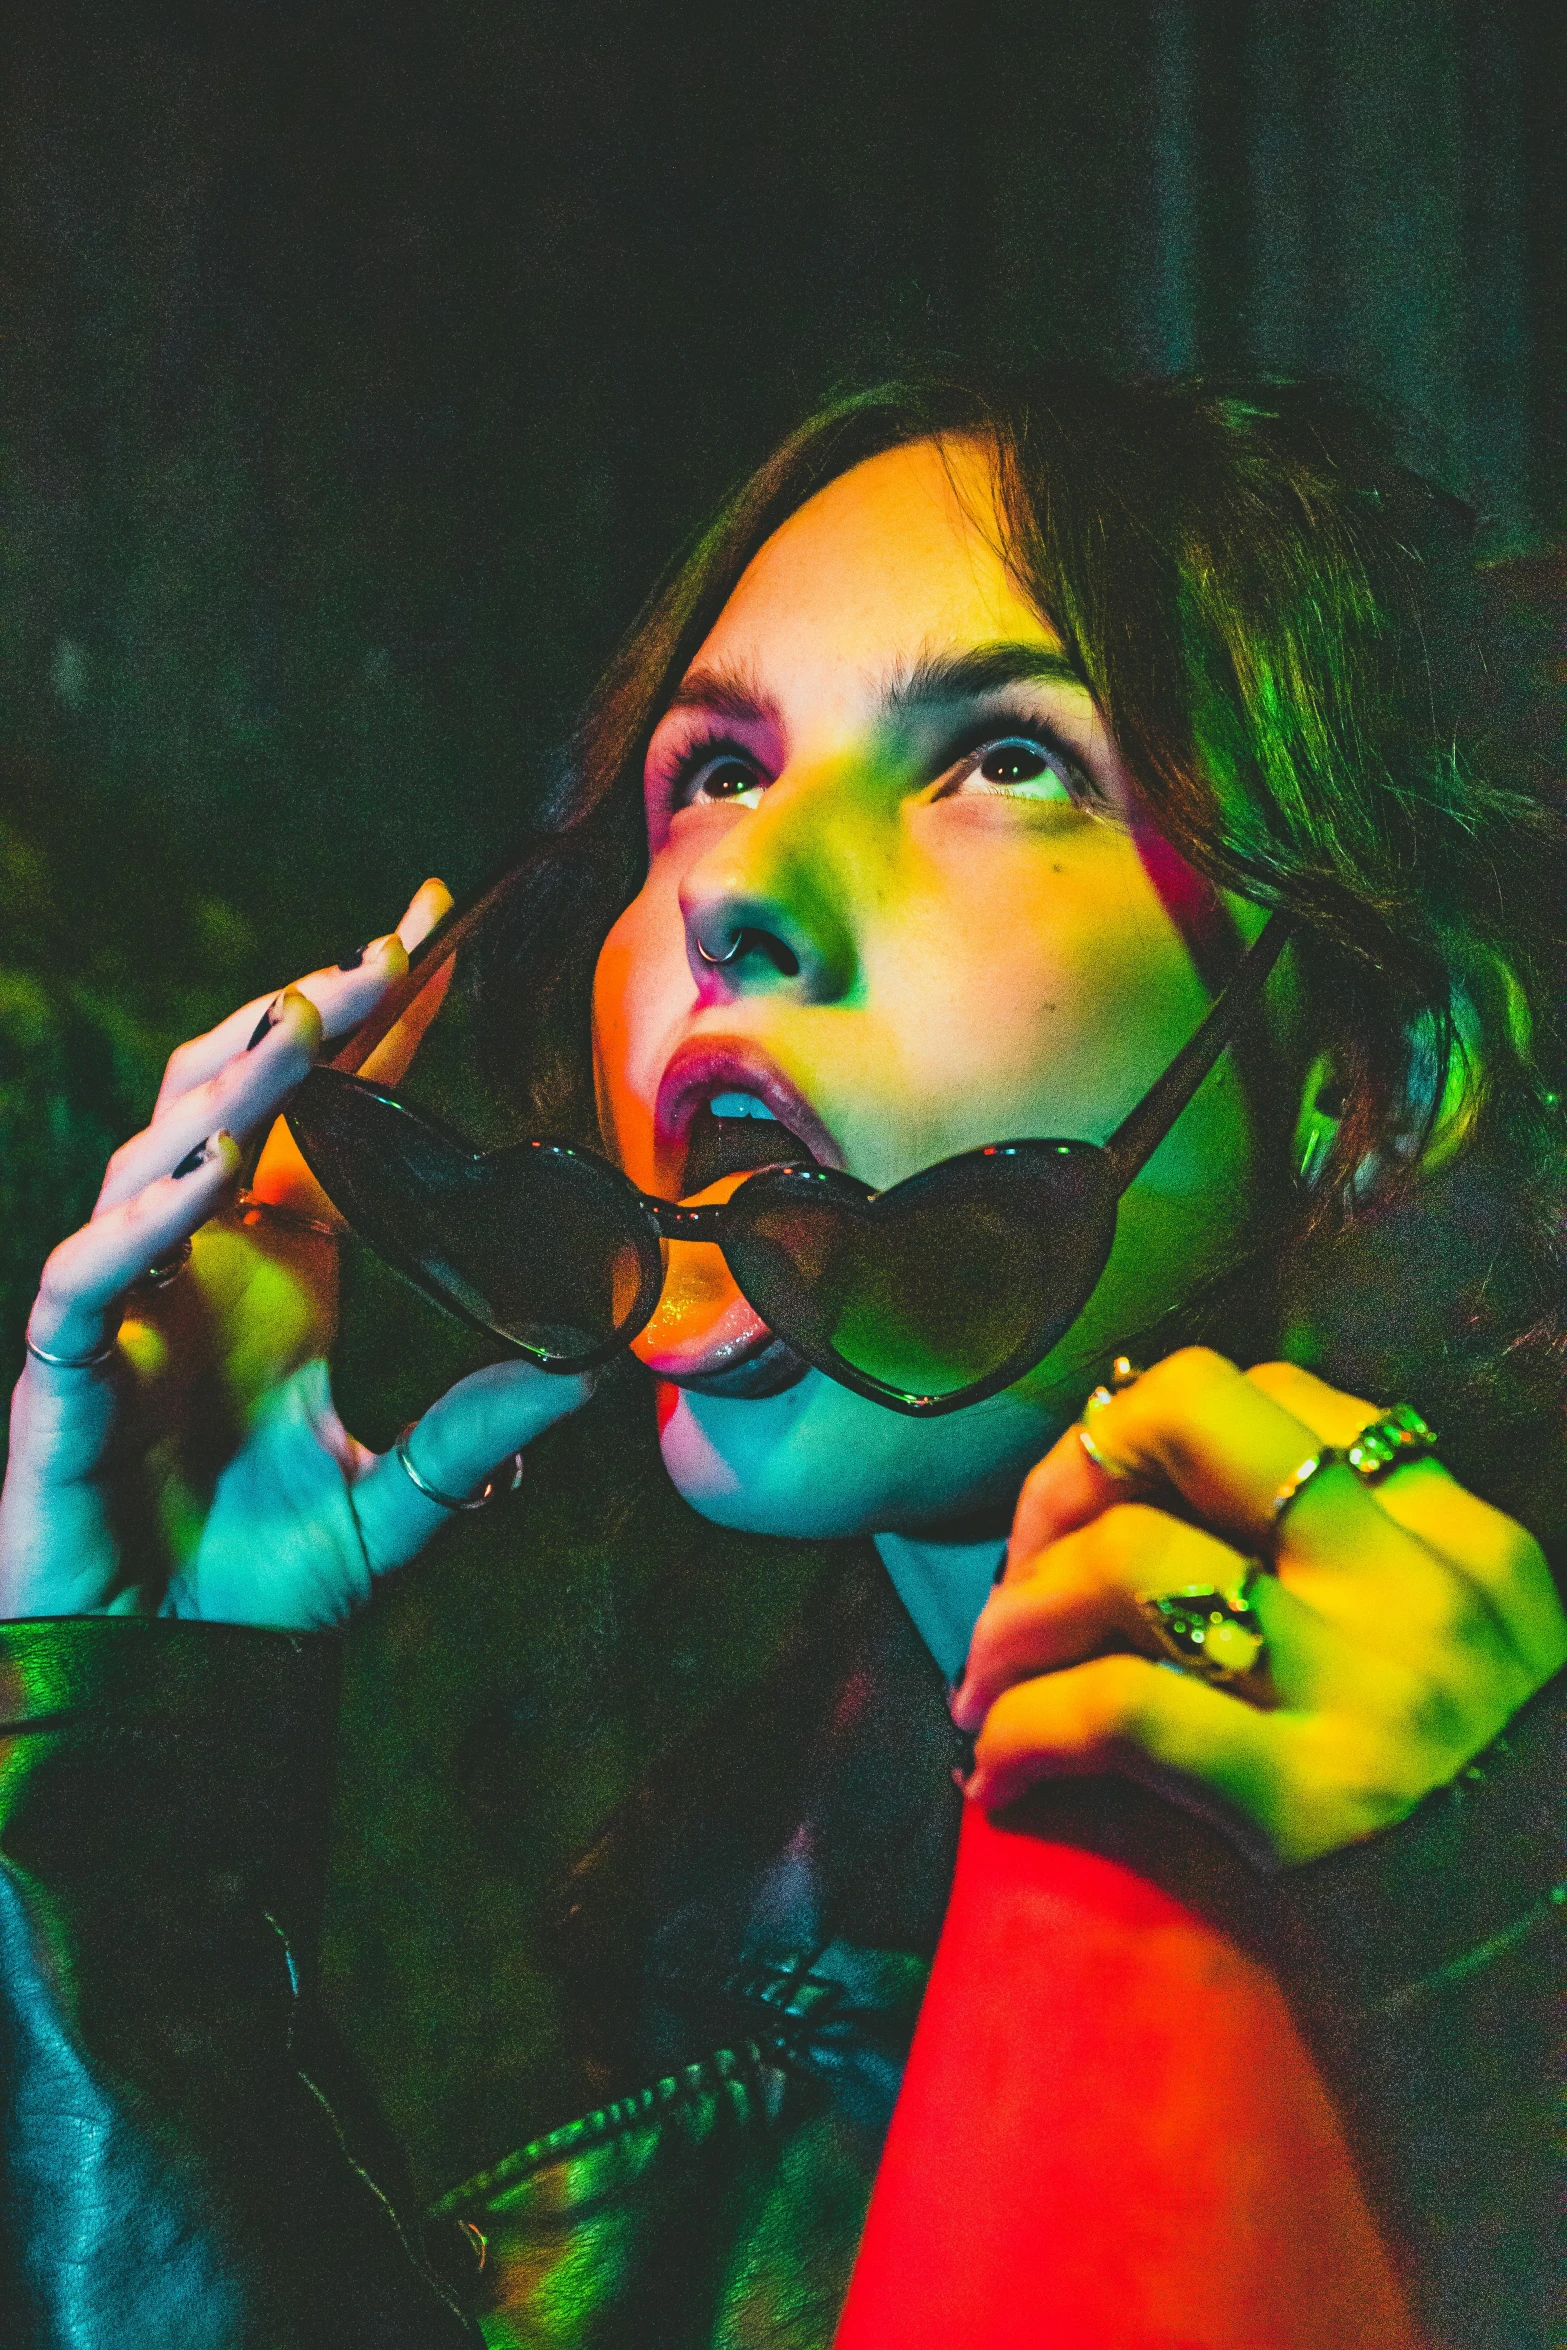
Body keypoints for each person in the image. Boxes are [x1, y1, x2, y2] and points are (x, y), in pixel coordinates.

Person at [0, 371, 1562, 2350]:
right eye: (715, 772)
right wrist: (126, 1788)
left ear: (1367, 1076)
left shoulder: (1492, 1905)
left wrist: (1482, 1965)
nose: (737, 888)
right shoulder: (682, 2035)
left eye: (1005, 757)